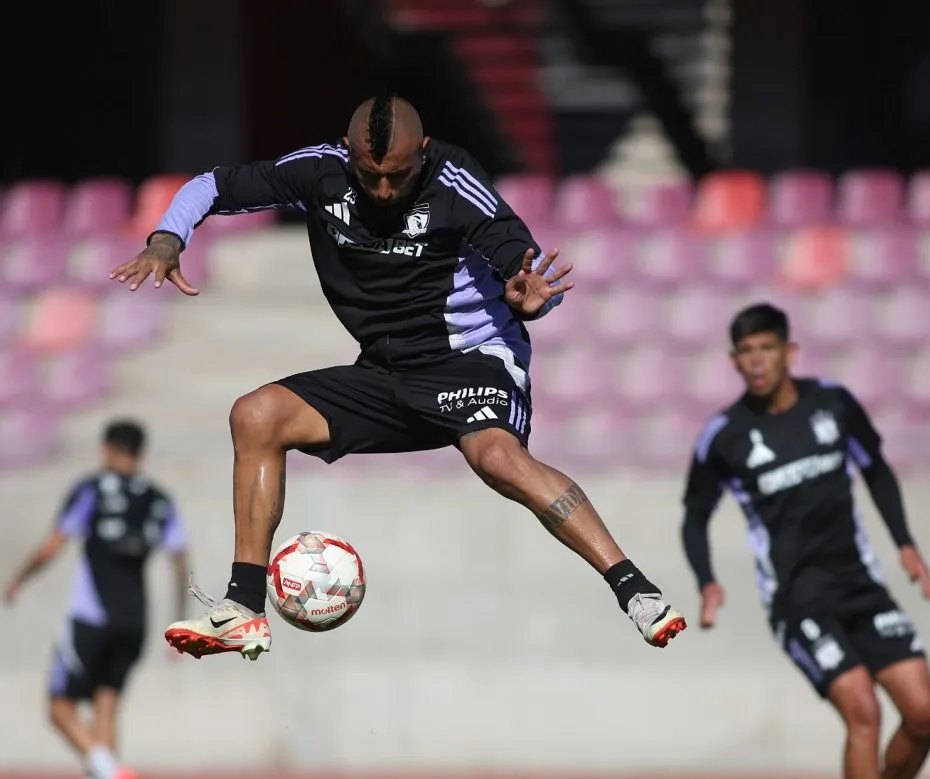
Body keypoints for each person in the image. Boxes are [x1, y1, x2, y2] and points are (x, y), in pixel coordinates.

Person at [110, 94, 686, 659]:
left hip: (471, 359)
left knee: (497, 458)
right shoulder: (320, 172)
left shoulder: (455, 179)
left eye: (399, 176)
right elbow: (209, 185)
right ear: (347, 154)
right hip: (385, 372)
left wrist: (533, 299)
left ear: (425, 153)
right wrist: (167, 239)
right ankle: (244, 608)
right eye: (370, 176)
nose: (384, 190)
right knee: (255, 414)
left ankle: (635, 591)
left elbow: (519, 259)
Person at [680, 303, 930, 779]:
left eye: (766, 349)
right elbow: (695, 515)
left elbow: (877, 470)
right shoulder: (724, 436)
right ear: (733, 361)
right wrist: (708, 580)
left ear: (789, 352)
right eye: (745, 353)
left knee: (926, 713)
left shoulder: (834, 404)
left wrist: (905, 544)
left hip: (861, 585)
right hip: (798, 602)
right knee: (864, 712)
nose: (756, 362)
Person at [3, 420, 190, 779]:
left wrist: (18, 580)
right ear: (141, 454)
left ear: (106, 450)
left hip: (91, 617)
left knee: (58, 707)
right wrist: (180, 622)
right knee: (106, 703)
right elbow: (179, 561)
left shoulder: (91, 489)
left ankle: (111, 773)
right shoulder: (160, 499)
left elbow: (54, 544)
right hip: (135, 620)